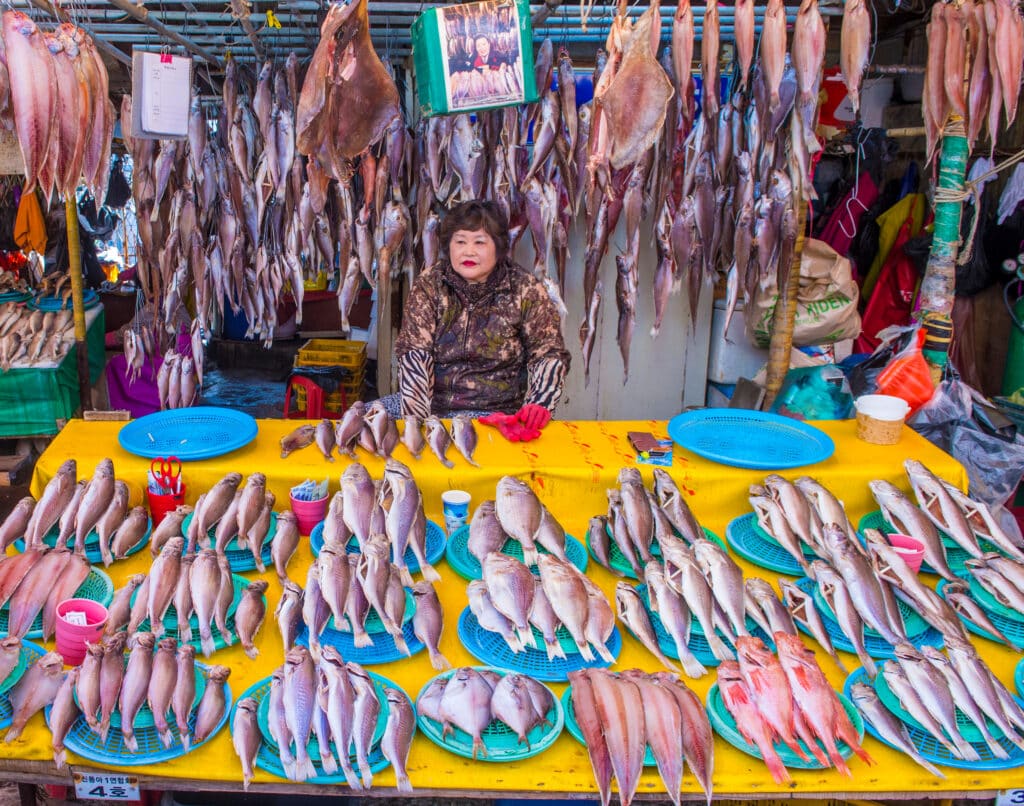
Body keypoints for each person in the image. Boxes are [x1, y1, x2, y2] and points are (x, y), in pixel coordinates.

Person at [391, 200, 569, 441]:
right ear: (448, 246)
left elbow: (548, 353)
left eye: (479, 242)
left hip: (498, 412)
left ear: (498, 247)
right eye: (460, 241)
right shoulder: (430, 285)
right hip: (432, 407)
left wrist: (540, 402)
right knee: (360, 420)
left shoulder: (524, 288)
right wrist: (419, 427)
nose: (469, 251)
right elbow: (414, 354)